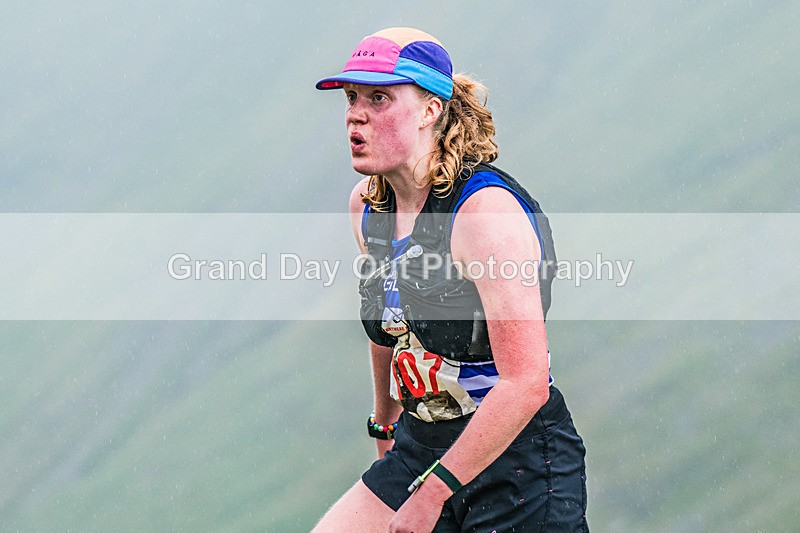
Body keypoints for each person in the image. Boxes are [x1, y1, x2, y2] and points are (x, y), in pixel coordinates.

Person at [313, 27, 588, 532]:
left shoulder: (484, 216)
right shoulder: (369, 206)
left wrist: (432, 496)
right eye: (352, 97)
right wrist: (385, 418)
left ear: (430, 110)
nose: (356, 113)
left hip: (520, 465)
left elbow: (526, 383)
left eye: (379, 98)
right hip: (422, 445)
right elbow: (393, 324)